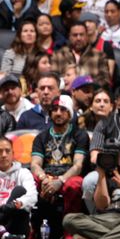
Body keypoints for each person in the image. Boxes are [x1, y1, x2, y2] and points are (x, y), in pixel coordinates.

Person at [30, 95, 88, 231]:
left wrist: (60, 180)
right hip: (47, 178)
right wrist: (44, 179)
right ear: (50, 113)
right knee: (30, 180)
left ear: (70, 114)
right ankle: (32, 230)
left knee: (75, 184)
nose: (58, 113)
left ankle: (70, 228)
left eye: (63, 109)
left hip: (67, 178)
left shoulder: (79, 135)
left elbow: (78, 165)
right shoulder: (41, 137)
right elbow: (35, 164)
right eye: (55, 109)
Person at [0, 136, 37, 239]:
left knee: (19, 190)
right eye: (0, 151)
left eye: (7, 151)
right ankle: (5, 236)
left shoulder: (23, 173)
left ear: (13, 154)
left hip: (15, 221)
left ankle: (4, 235)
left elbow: (33, 196)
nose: (4, 155)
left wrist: (15, 204)